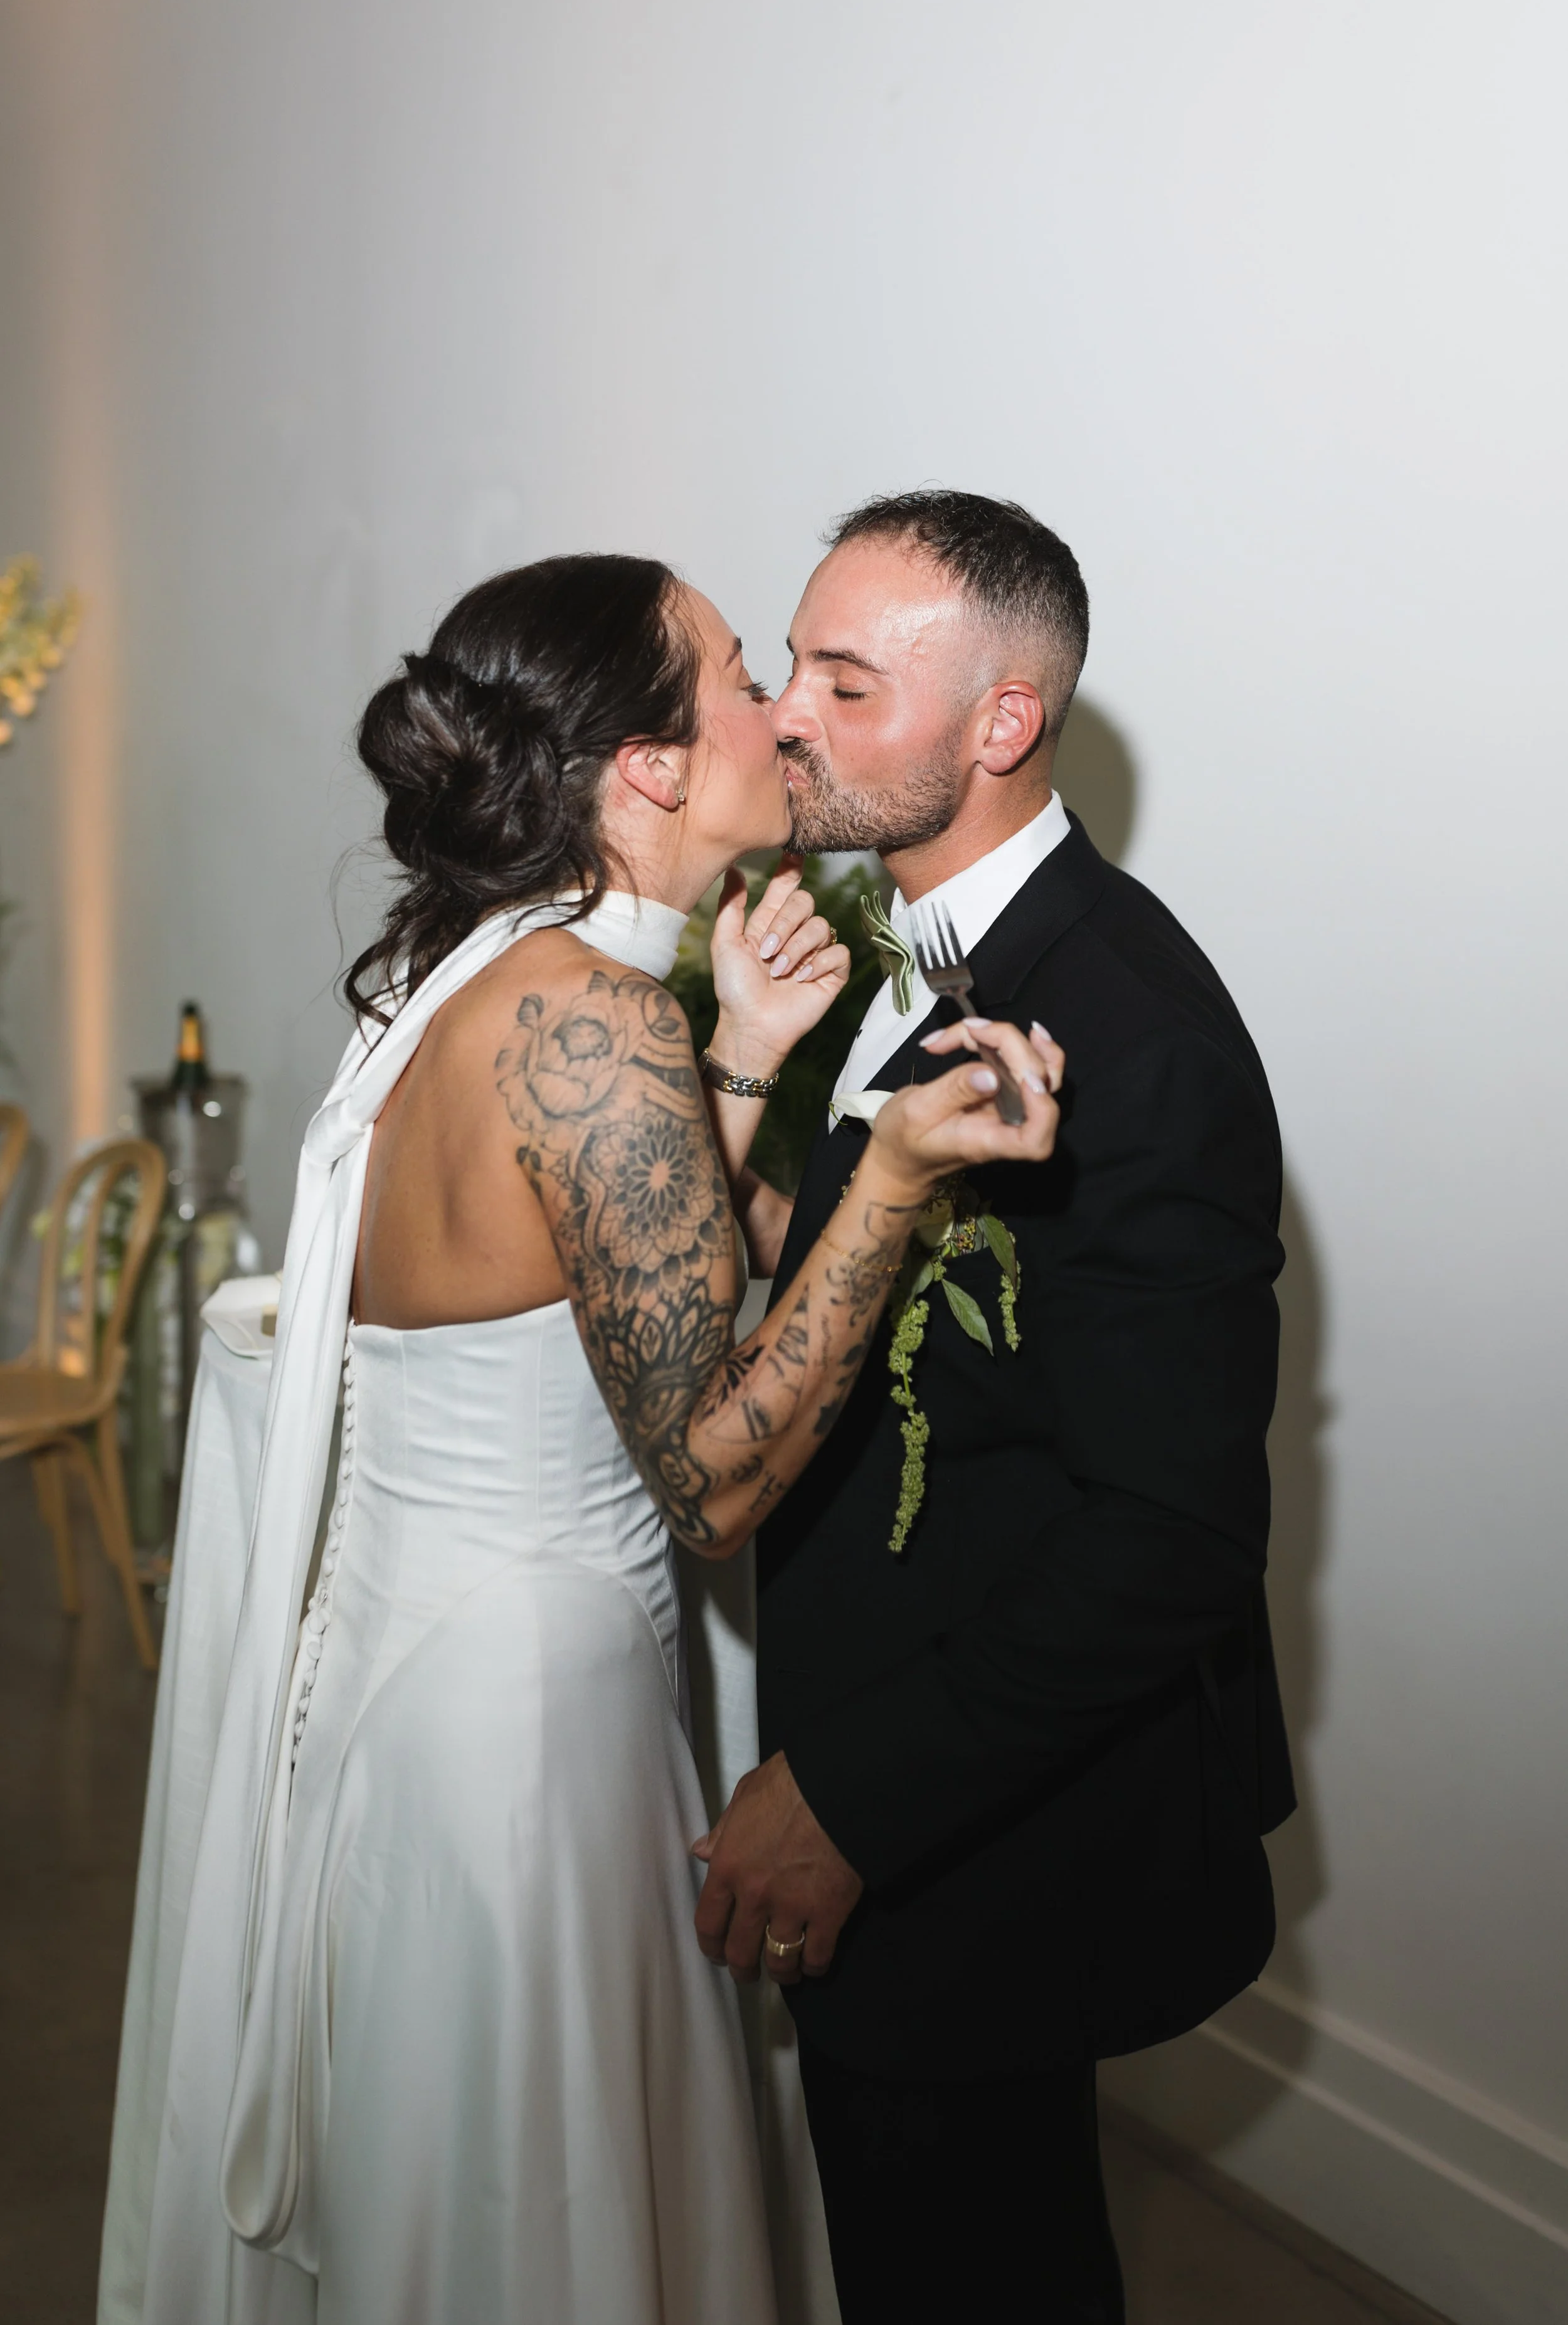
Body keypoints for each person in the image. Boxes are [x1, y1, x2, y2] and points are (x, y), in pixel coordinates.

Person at [103, 551, 1062, 2325]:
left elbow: (588, 1277)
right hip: (523, 1738)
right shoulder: (595, 1022)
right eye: (737, 674)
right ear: (648, 764)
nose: (780, 711)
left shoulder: (493, 976)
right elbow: (712, 1477)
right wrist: (895, 1180)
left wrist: (741, 1058)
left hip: (427, 1689)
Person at [691, 492, 1295, 2324]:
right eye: (791, 665)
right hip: (878, 1704)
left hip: (981, 1804)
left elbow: (1173, 1532)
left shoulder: (1139, 1035)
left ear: (1000, 724)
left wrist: (850, 1796)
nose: (785, 714)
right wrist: (746, 1080)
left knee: (975, 2265)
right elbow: (847, 1297)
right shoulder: (896, 946)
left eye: (844, 682)